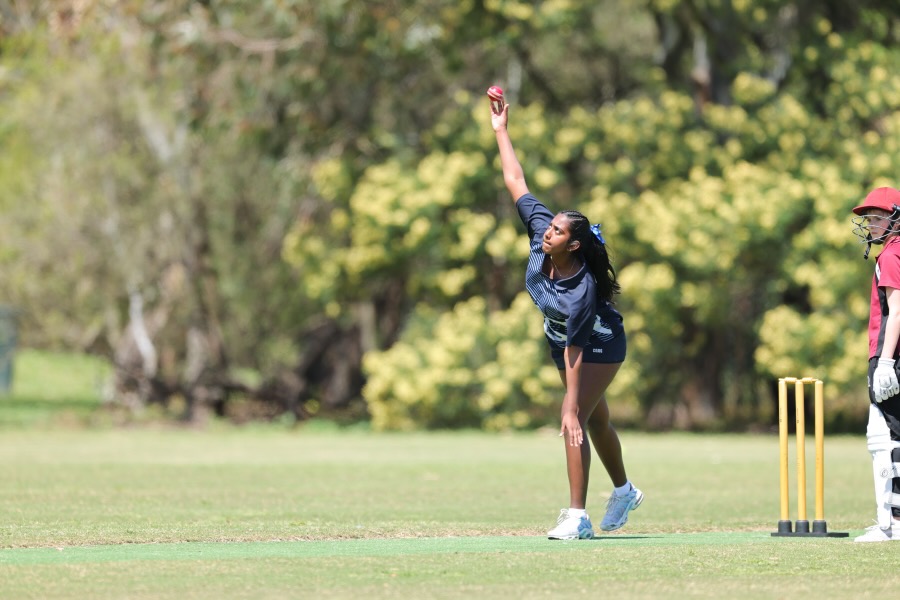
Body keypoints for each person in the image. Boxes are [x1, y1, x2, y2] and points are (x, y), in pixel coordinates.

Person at [489, 98, 642, 540]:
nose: (547, 232)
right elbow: (515, 179)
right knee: (594, 420)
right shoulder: (541, 235)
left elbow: (578, 349)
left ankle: (578, 516)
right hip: (563, 341)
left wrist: (568, 405)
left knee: (575, 418)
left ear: (572, 245)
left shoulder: (581, 292)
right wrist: (501, 129)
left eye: (556, 231)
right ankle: (625, 490)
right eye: (549, 227)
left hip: (600, 342)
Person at [850, 186, 900, 542]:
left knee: (887, 439)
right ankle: (889, 520)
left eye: (878, 216)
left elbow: (897, 311)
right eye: (869, 217)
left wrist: (884, 363)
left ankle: (892, 523)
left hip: (890, 357)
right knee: (882, 436)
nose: (871, 223)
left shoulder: (891, 257)